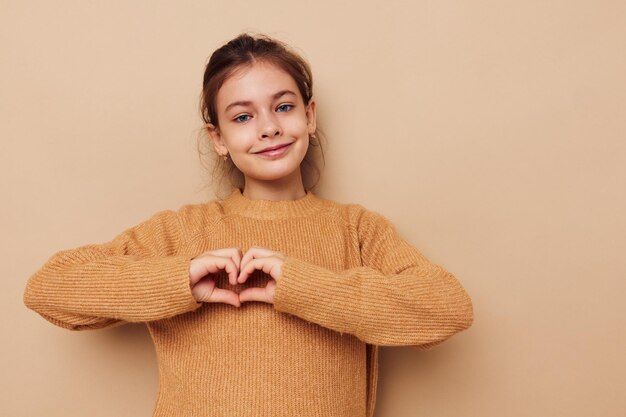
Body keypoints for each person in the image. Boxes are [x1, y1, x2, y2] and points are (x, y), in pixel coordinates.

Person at [24, 32, 474, 417]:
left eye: (283, 107)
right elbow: (48, 289)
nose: (268, 128)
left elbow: (447, 308)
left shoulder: (356, 228)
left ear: (310, 116)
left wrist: (303, 287)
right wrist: (179, 279)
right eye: (242, 116)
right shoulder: (183, 231)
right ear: (217, 138)